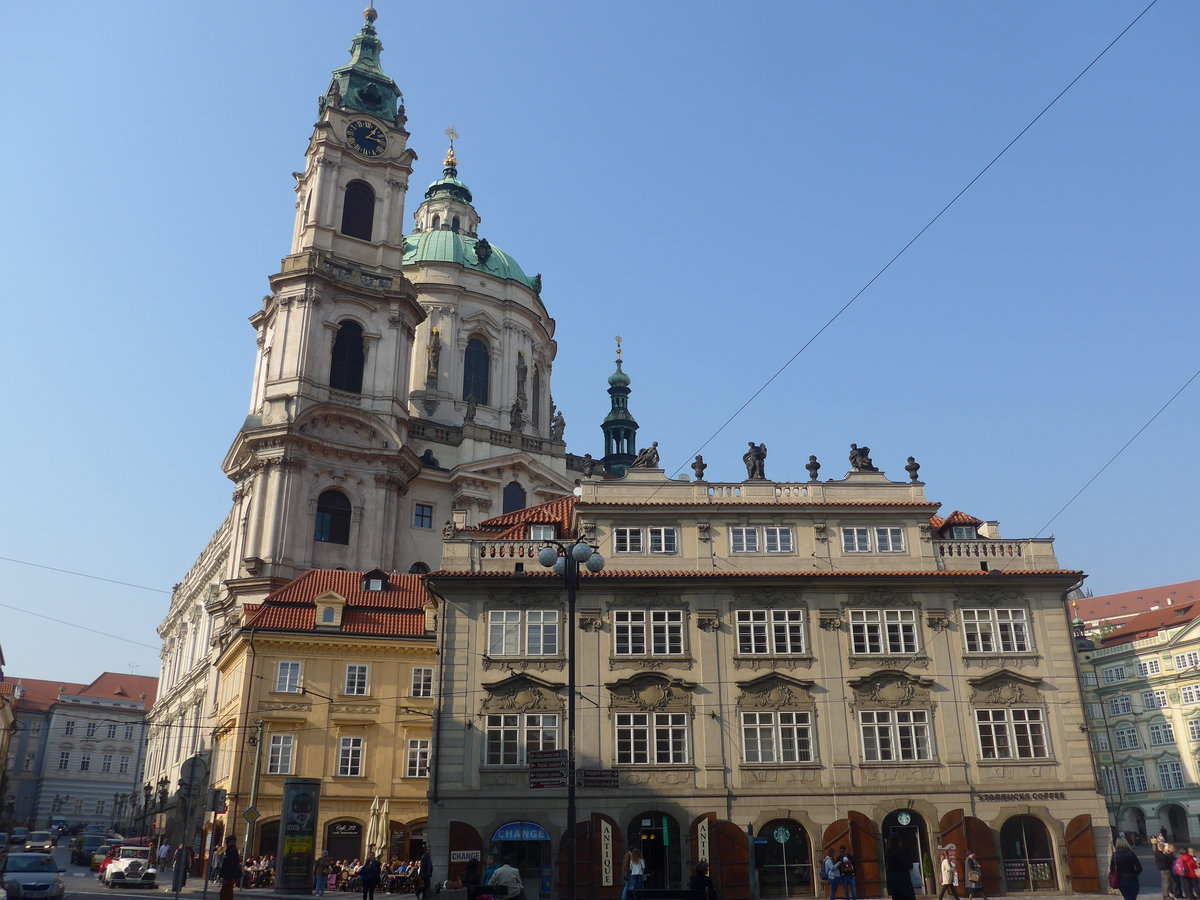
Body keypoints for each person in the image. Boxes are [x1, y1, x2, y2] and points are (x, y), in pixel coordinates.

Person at [885, 834, 915, 900]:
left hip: (894, 884)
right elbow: (906, 864)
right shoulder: (897, 853)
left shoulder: (888, 853)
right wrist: (910, 864)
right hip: (902, 883)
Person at [219, 835, 242, 900]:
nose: (226, 843)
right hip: (230, 876)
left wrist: (226, 878)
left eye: (227, 841)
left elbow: (230, 866)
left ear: (232, 842)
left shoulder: (232, 851)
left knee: (225, 894)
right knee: (226, 893)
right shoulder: (231, 850)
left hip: (229, 877)